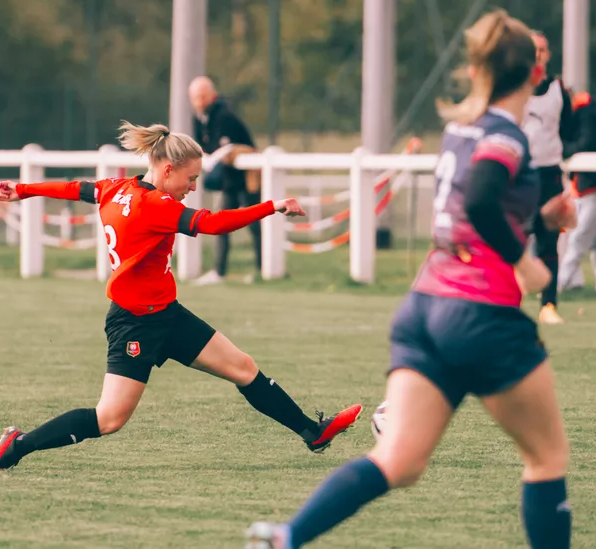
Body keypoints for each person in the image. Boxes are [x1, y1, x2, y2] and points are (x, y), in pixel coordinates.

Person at [245, 10, 575, 549]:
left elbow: (473, 208)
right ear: (537, 75)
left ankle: (286, 538)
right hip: (482, 313)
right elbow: (482, 201)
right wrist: (529, 262)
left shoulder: (460, 130)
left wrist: (542, 219)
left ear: (478, 70)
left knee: (398, 460)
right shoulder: (509, 137)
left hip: (425, 308)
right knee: (546, 458)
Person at [0, 121, 362, 471]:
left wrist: (24, 190)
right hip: (135, 323)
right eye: (191, 178)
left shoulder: (115, 189)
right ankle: (18, 445)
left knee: (244, 368)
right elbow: (212, 224)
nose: (192, 187)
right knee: (109, 419)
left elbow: (75, 188)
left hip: (167, 314)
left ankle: (313, 433)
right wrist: (272, 205)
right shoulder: (155, 206)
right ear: (168, 171)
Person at [522, 31, 577, 325]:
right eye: (533, 50)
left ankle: (548, 305)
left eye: (543, 50)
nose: (538, 55)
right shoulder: (513, 87)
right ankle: (508, 300)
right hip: (518, 175)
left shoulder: (558, 90)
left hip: (549, 176)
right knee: (514, 239)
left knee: (549, 242)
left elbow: (569, 131)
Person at [188, 76, 263, 285]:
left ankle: (263, 270)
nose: (199, 100)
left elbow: (229, 147)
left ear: (212, 95)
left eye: (203, 95)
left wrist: (211, 161)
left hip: (246, 178)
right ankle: (219, 271)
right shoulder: (199, 118)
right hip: (228, 180)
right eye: (195, 97)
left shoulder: (224, 116)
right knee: (221, 224)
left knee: (254, 223)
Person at [557, 91, 596, 294]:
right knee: (595, 241)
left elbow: (583, 144)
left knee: (578, 240)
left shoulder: (586, 117)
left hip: (595, 189)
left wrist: (562, 147)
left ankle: (560, 284)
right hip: (587, 189)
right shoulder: (585, 116)